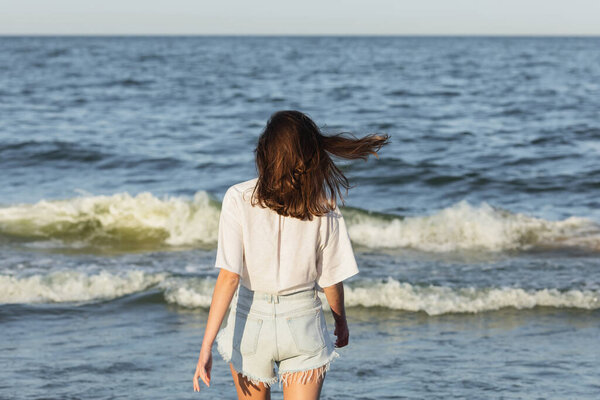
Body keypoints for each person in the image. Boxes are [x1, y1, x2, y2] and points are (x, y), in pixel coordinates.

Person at [193, 110, 390, 399]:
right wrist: (341, 321)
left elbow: (230, 277)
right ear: (310, 155)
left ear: (264, 153)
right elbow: (331, 279)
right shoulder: (323, 205)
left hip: (250, 324)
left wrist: (206, 346)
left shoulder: (237, 197)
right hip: (303, 325)